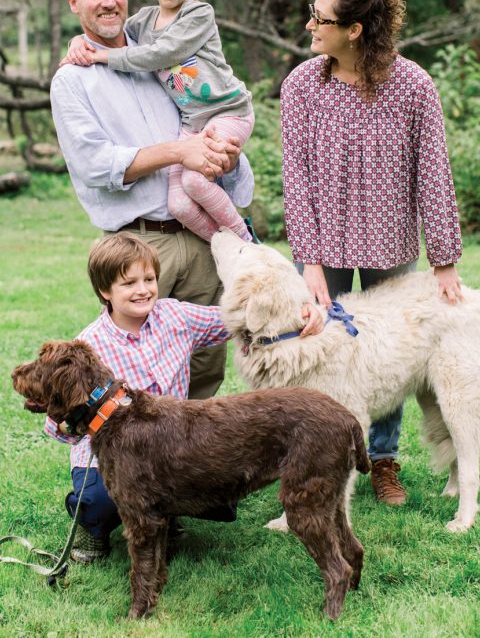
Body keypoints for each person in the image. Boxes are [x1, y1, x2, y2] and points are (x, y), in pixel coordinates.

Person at [280, 0, 463, 506]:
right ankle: (312, 461)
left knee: (386, 357)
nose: (310, 25)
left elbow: (433, 171)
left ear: (355, 29)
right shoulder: (301, 86)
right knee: (311, 353)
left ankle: (380, 459)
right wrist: (308, 263)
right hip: (324, 248)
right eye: (313, 12)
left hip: (391, 247)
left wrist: (445, 259)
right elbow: (297, 179)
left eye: (322, 18)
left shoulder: (412, 85)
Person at [50, 0, 253, 414]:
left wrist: (227, 158)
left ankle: (194, 466)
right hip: (139, 246)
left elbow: (208, 113)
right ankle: (144, 469)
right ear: (73, 3)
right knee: (140, 368)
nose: (108, 2)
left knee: (204, 365)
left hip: (201, 236)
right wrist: (179, 152)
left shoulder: (161, 50)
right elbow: (95, 164)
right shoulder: (73, 80)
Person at [45, 232, 323, 562]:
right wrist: (70, 425)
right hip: (115, 456)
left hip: (169, 447)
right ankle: (91, 525)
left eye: (149, 279)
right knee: (101, 498)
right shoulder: (89, 348)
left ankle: (164, 512)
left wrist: (303, 308)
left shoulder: (174, 316)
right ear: (105, 291)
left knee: (224, 476)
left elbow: (234, 318)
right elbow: (55, 426)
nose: (143, 289)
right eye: (129, 283)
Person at [63, 0, 254, 244]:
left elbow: (162, 53)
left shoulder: (198, 13)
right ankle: (229, 246)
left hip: (226, 110)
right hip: (193, 124)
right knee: (179, 202)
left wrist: (102, 55)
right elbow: (111, 29)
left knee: (194, 182)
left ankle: (247, 245)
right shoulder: (144, 22)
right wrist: (79, 43)